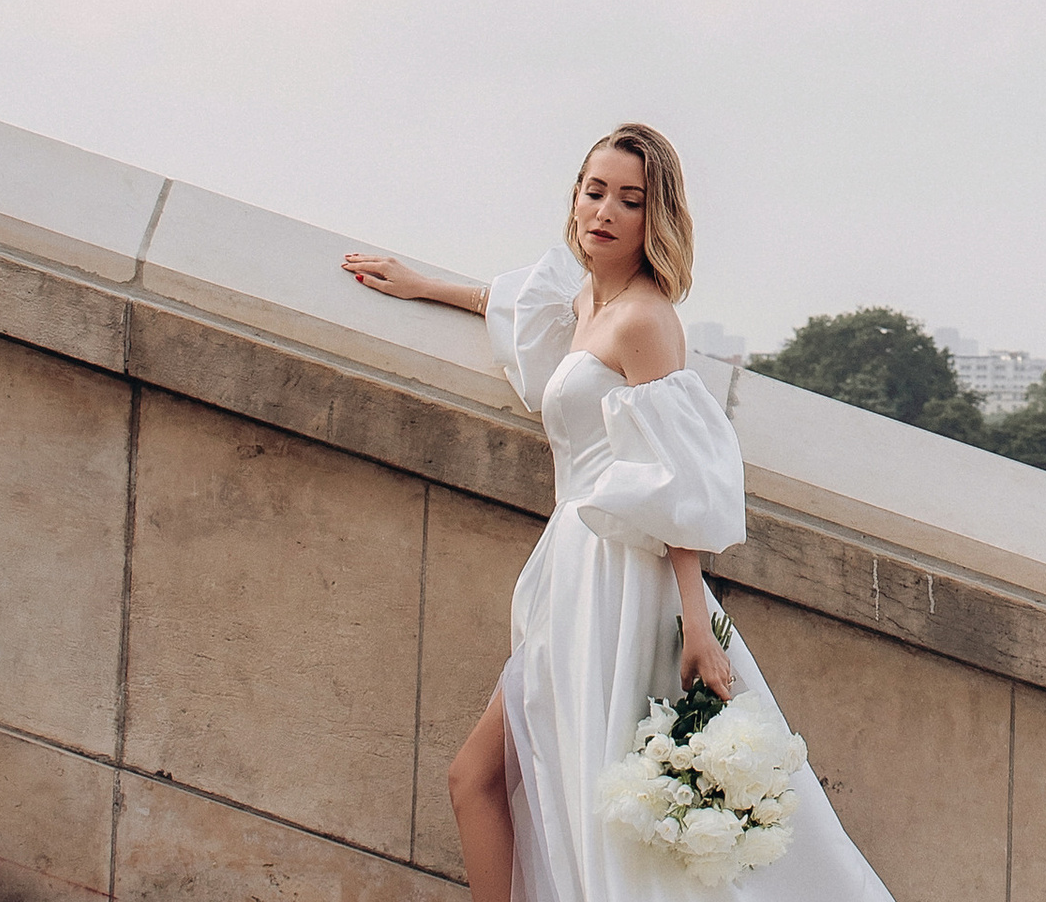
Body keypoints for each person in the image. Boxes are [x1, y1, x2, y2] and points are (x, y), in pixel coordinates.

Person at [344, 123, 891, 902]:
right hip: (570, 574)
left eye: (628, 201)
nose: (604, 211)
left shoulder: (645, 321)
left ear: (654, 219)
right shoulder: (589, 304)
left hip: (620, 587)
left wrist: (696, 625)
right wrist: (422, 284)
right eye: (594, 191)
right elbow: (517, 314)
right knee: (507, 786)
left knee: (552, 799)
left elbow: (678, 479)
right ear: (573, 198)